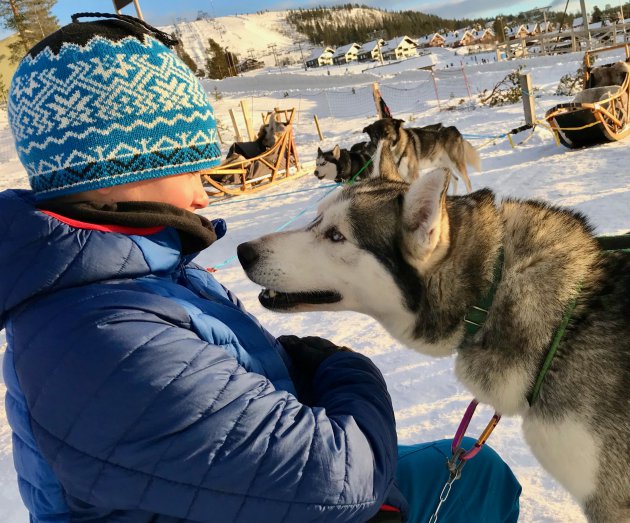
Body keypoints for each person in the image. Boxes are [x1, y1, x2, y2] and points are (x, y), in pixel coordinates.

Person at [0, 13, 521, 523]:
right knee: (472, 485)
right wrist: (349, 370)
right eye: (190, 169)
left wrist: (283, 359)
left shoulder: (129, 280)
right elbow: (340, 479)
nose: (203, 196)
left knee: (482, 475)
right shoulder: (98, 339)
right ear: (119, 169)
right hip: (314, 491)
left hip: (252, 493)